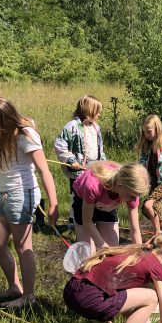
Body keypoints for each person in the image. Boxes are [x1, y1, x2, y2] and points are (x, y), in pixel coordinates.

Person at [0, 97, 59, 308]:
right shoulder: (4, 133)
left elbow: (44, 170)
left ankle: (29, 296)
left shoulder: (26, 135)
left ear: (2, 119)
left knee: (23, 246)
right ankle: (15, 287)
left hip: (22, 194)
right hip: (4, 194)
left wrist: (53, 203)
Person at [63, 234, 162, 323]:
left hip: (71, 292)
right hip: (90, 299)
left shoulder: (132, 252)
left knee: (108, 297)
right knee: (152, 297)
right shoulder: (155, 264)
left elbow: (120, 302)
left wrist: (146, 322)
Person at [54, 95, 107, 228]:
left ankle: (89, 219)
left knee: (92, 194)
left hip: (94, 167)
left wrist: (104, 163)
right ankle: (74, 222)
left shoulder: (96, 127)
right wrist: (71, 160)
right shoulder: (72, 126)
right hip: (78, 170)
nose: (99, 114)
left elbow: (100, 147)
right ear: (88, 111)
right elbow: (60, 144)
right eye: (97, 111)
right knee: (77, 196)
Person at [72, 161, 149, 251]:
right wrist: (105, 247)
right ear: (120, 185)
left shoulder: (133, 193)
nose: (133, 200)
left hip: (107, 207)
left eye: (135, 196)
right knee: (88, 255)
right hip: (83, 202)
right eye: (131, 196)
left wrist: (139, 252)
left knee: (112, 252)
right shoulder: (93, 185)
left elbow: (135, 230)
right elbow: (87, 222)